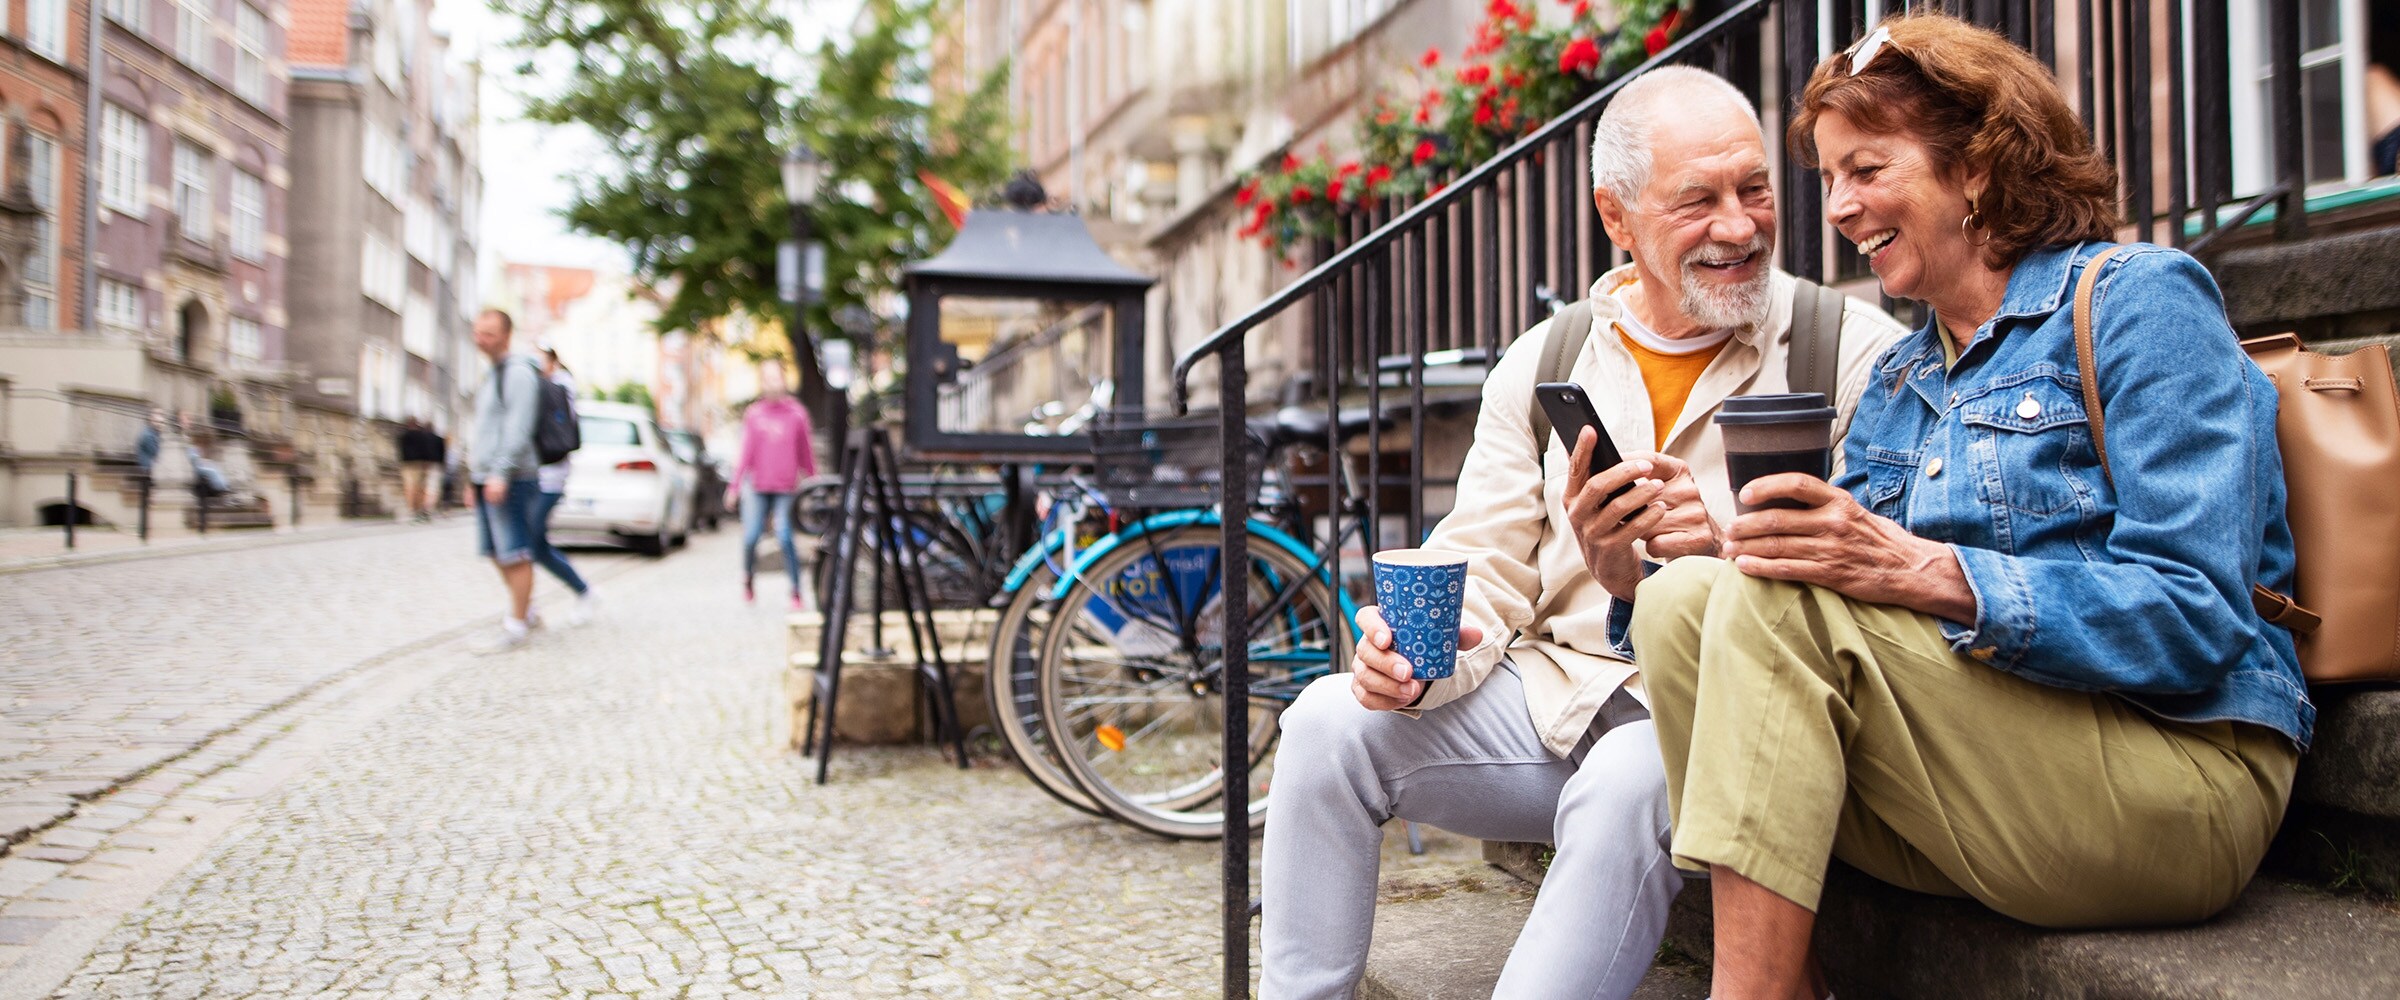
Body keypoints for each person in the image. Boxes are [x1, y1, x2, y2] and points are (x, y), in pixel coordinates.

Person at [1630, 15, 2311, 1000]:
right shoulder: (1904, 377)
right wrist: (1730, 544)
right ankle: (1796, 980)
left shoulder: (2139, 303)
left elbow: (2196, 615)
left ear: (1979, 167)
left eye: (1865, 169)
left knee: (1771, 606)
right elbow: (1821, 608)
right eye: (1826, 179)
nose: (1839, 208)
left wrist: (1925, 572)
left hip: (2179, 770)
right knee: (1684, 600)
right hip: (1996, 760)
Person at [1260, 67, 1908, 1000]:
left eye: (1755, 189)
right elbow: (1479, 562)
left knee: (1625, 782)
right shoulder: (1547, 358)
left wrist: (1698, 562)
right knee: (1328, 722)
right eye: (1699, 200)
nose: (1739, 225)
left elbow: (1872, 589)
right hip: (1558, 698)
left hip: (1720, 726)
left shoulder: (1848, 348)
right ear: (1617, 216)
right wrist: (1408, 657)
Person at [466, 308, 549, 653]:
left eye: (488, 333)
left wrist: (499, 473)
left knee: (515, 552)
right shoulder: (494, 374)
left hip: (512, 477)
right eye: (477, 331)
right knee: (496, 551)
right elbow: (486, 431)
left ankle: (516, 627)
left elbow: (518, 428)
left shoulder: (517, 374)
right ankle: (525, 612)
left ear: (505, 335)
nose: (479, 339)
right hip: (488, 476)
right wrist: (474, 477)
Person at [727, 361, 818, 607]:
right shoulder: (754, 414)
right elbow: (745, 453)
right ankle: (748, 576)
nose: (772, 383)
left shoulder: (797, 414)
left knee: (786, 536)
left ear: (784, 380)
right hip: (757, 487)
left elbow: (806, 453)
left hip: (786, 488)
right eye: (766, 378)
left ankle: (796, 590)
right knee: (751, 537)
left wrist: (814, 484)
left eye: (776, 378)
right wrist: (734, 487)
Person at [529, 342, 598, 626]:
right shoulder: (555, 386)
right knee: (534, 544)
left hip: (550, 476)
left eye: (539, 361)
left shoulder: (558, 387)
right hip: (540, 475)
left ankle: (583, 591)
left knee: (531, 542)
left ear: (553, 362)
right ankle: (529, 607)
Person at [396, 417, 444, 523]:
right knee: (421, 488)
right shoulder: (424, 437)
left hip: (407, 464)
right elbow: (433, 451)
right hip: (421, 464)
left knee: (410, 487)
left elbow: (400, 451)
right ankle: (422, 509)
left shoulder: (403, 436)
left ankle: (413, 510)